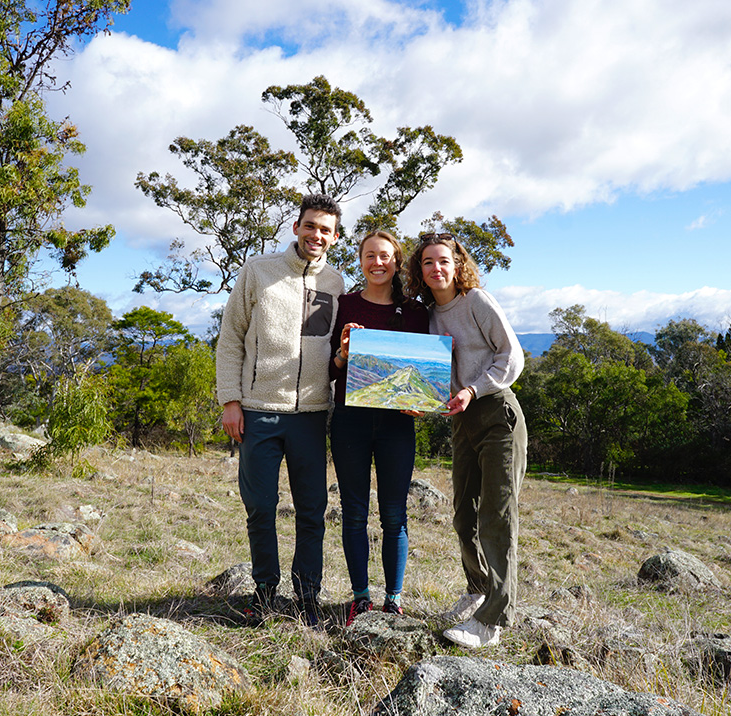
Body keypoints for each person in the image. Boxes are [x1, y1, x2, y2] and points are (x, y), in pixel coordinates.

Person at [216, 193, 344, 625]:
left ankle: (308, 597)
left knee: (312, 512)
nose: (316, 235)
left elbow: (338, 351)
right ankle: (265, 591)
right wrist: (230, 401)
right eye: (310, 226)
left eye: (325, 229)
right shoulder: (258, 272)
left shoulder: (337, 285)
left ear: (334, 237)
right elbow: (231, 339)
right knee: (261, 507)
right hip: (258, 410)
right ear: (296, 227)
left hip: (311, 416)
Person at [405, 232, 527, 649]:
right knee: (464, 515)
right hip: (462, 421)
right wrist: (421, 399)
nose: (436, 269)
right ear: (418, 271)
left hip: (497, 415)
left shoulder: (476, 302)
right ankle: (477, 590)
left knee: (497, 516)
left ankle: (493, 617)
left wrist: (473, 389)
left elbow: (511, 356)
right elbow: (436, 373)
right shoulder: (429, 316)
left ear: (458, 264)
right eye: (427, 263)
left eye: (444, 260)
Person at [329, 231, 430, 625]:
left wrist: (424, 403)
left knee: (394, 514)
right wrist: (341, 353)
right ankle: (359, 599)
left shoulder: (416, 312)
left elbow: (425, 374)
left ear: (396, 261)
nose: (377, 263)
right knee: (353, 513)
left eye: (385, 256)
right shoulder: (344, 306)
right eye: (369, 255)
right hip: (349, 421)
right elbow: (329, 371)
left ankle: (393, 599)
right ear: (360, 260)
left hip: (397, 427)